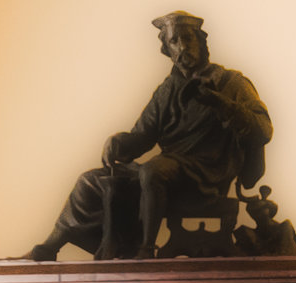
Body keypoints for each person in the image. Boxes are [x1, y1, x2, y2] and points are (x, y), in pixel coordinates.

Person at [17, 12, 274, 261]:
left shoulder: (232, 83)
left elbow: (263, 129)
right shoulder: (167, 90)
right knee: (90, 181)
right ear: (167, 50)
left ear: (202, 42)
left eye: (188, 38)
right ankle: (49, 248)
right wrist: (119, 142)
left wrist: (219, 102)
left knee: (153, 170)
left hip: (207, 172)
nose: (182, 47)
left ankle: (146, 248)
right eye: (174, 41)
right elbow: (143, 135)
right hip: (169, 171)